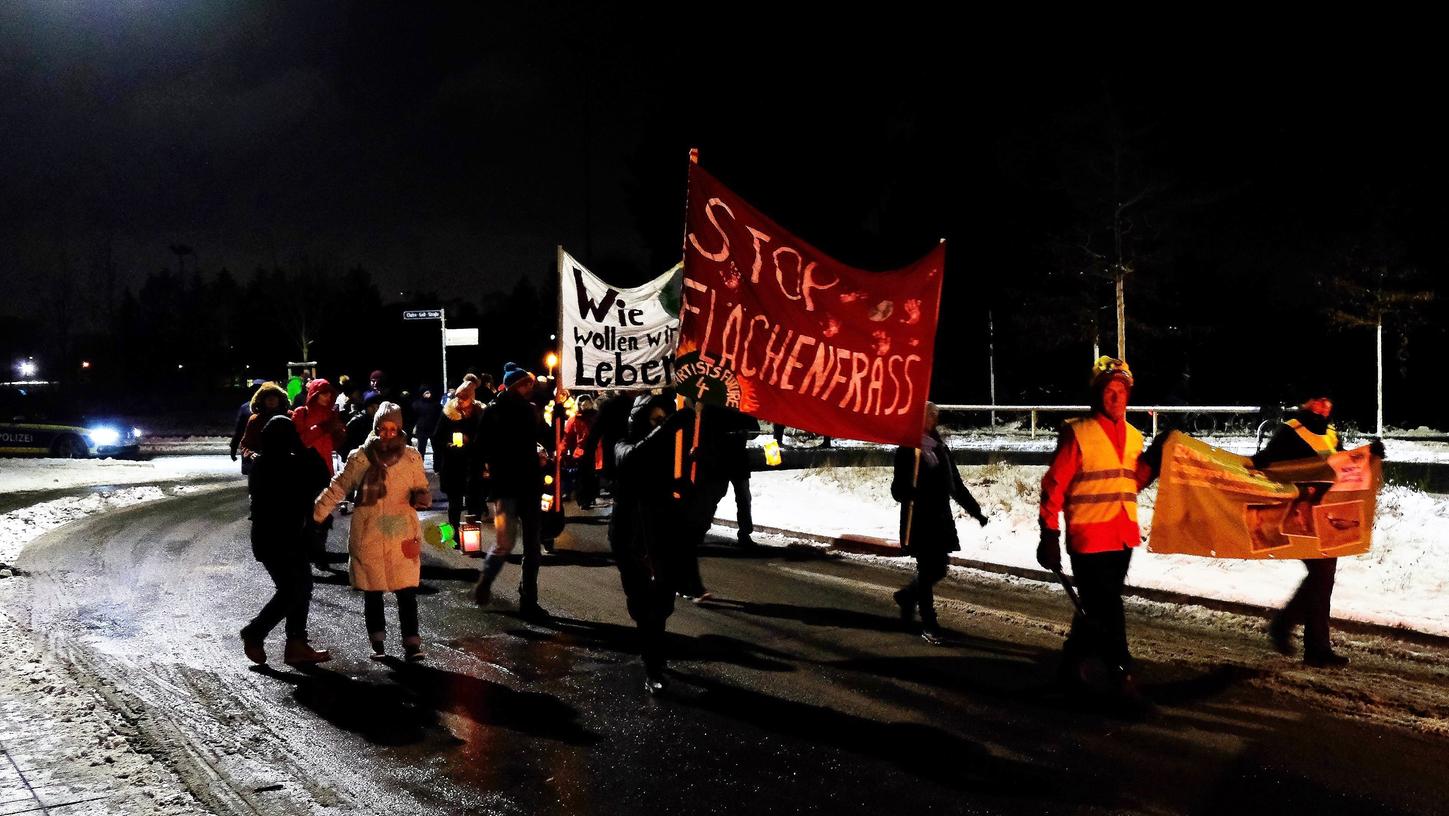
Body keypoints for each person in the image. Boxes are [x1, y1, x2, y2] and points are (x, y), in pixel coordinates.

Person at [1038, 357, 1158, 701]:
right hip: (1088, 540)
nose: (1115, 396)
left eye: (1121, 390)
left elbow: (1129, 483)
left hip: (1122, 539)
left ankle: (1071, 668)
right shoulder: (1078, 432)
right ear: (1097, 394)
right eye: (1109, 390)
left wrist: (1155, 460)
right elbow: (1054, 486)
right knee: (1109, 607)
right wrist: (1049, 533)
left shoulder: (1134, 436)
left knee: (1096, 608)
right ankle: (1123, 673)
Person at [1254, 392, 1379, 668]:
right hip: (1300, 516)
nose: (1323, 407)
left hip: (1324, 516)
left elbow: (1343, 466)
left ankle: (1310, 643)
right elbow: (1268, 463)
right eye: (1317, 400)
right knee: (1321, 577)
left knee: (1323, 579)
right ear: (1305, 402)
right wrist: (1262, 462)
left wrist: (1369, 456)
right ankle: (1297, 634)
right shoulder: (1291, 431)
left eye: (1328, 401)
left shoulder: (1331, 434)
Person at [313, 402, 433, 660]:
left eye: (392, 428)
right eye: (382, 428)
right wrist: (316, 514)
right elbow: (338, 487)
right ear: (376, 428)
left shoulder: (411, 457)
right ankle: (377, 642)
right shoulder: (361, 457)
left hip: (400, 528)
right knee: (373, 590)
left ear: (400, 428)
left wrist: (422, 496)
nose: (387, 434)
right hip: (369, 529)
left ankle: (411, 643)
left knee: (406, 591)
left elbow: (421, 486)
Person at [610, 393, 696, 694]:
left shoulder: (670, 451)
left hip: (662, 535)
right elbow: (635, 459)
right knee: (643, 605)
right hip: (631, 536)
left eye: (664, 419)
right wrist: (670, 427)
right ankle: (653, 666)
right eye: (655, 420)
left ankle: (654, 653)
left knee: (662, 604)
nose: (661, 425)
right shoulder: (623, 446)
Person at [891, 402, 988, 644]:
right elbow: (897, 490)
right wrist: (909, 490)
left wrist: (975, 511)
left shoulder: (940, 448)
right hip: (920, 519)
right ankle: (929, 622)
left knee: (939, 568)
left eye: (935, 416)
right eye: (929, 416)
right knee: (926, 571)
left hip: (940, 518)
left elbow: (955, 485)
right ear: (921, 419)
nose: (934, 420)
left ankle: (907, 595)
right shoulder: (907, 449)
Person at [241, 415, 332, 666]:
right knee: (294, 589)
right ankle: (257, 632)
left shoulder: (266, 464)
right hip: (281, 538)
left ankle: (296, 644)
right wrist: (304, 451)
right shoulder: (285, 464)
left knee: (299, 588)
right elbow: (319, 478)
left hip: (278, 537)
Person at [472, 363, 551, 619]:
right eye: (528, 383)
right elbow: (481, 448)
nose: (531, 387)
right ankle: (507, 589)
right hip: (516, 485)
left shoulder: (518, 411)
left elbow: (540, 438)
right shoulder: (507, 412)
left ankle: (518, 594)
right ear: (519, 385)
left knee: (518, 545)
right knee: (518, 544)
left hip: (516, 485)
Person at [431, 377, 486, 531]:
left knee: (474, 502)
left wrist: (472, 442)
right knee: (455, 503)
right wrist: (448, 445)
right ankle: (454, 532)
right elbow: (436, 438)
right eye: (458, 397)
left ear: (471, 398)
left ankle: (473, 535)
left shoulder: (480, 413)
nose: (460, 401)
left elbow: (485, 436)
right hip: (453, 465)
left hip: (473, 464)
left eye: (464, 398)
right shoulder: (449, 413)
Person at [237, 381, 292, 471]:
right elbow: (245, 444)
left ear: (280, 399)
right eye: (268, 397)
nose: (271, 400)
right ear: (262, 400)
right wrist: (251, 454)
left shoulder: (290, 416)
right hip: (262, 466)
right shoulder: (255, 420)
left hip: (286, 465)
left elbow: (299, 440)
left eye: (274, 397)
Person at [563, 394, 601, 509]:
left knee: (592, 477)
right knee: (582, 478)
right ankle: (584, 499)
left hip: (595, 452)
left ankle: (590, 497)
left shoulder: (597, 417)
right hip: (581, 453)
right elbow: (567, 436)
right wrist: (563, 452)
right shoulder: (574, 419)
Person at [410, 386, 443, 461]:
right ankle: (420, 466)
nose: (428, 394)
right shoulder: (417, 404)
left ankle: (437, 468)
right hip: (422, 429)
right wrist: (414, 426)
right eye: (426, 393)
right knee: (421, 449)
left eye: (429, 392)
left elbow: (440, 416)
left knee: (436, 449)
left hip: (433, 429)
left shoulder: (435, 404)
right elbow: (413, 416)